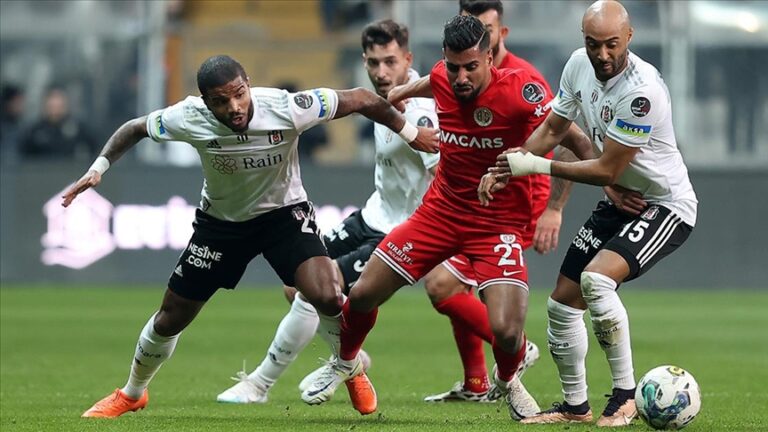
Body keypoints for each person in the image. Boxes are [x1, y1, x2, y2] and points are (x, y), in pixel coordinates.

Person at [66, 54, 438, 418]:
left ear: (249, 86)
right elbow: (134, 128)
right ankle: (132, 393)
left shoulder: (288, 107)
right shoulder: (188, 116)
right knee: (171, 317)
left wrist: (410, 132)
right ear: (206, 102)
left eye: (239, 93)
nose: (234, 106)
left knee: (325, 293)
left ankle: (350, 367)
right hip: (222, 225)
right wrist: (98, 169)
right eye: (221, 101)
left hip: (283, 217)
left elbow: (363, 98)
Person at [301, 15, 590, 421]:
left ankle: (507, 380)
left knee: (507, 332)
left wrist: (609, 179)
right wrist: (400, 90)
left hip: (496, 224)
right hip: (439, 214)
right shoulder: (442, 76)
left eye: (471, 67)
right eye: (454, 67)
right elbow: (432, 80)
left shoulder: (522, 93)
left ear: (490, 58)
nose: (460, 78)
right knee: (364, 293)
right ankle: (345, 361)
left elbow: (574, 141)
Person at [482, 1, 698, 426]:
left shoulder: (642, 92)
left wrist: (536, 165)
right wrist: (511, 163)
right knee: (562, 304)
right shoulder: (578, 65)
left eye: (612, 45)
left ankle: (624, 397)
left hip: (664, 205)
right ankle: (574, 407)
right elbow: (554, 128)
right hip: (621, 201)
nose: (602, 54)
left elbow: (606, 169)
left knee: (597, 280)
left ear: (629, 38)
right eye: (593, 43)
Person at [214, 20, 439, 416]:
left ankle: (261, 383)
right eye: (373, 63)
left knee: (315, 289)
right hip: (373, 215)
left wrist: (437, 237)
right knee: (297, 283)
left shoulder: (422, 113)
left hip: (404, 231)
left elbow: (442, 175)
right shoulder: (384, 102)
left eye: (390, 62)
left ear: (408, 59)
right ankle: (351, 357)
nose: (381, 72)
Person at [422, 0, 573, 403]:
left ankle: (518, 351)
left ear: (498, 36)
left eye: (486, 31)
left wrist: (551, 209)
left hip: (514, 209)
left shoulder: (525, 81)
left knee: (445, 286)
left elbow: (564, 140)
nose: (476, 39)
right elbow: (436, 79)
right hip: (470, 206)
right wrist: (402, 90)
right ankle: (478, 381)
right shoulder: (460, 74)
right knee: (462, 291)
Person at [19, 86, 98, 161]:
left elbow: (94, 149)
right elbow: (24, 156)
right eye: (52, 101)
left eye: (59, 101)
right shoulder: (34, 131)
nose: (55, 105)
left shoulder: (79, 129)